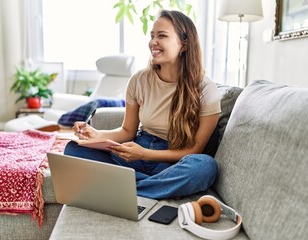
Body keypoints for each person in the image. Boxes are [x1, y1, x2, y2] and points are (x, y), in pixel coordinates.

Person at [64, 10, 221, 200]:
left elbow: (194, 150)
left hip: (172, 160)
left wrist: (145, 154)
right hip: (137, 151)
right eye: (152, 36)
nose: (153, 42)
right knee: (73, 149)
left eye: (162, 36)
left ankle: (126, 189)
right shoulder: (139, 80)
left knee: (205, 166)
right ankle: (157, 187)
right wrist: (96, 134)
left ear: (184, 44)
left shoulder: (206, 89)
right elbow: (127, 131)